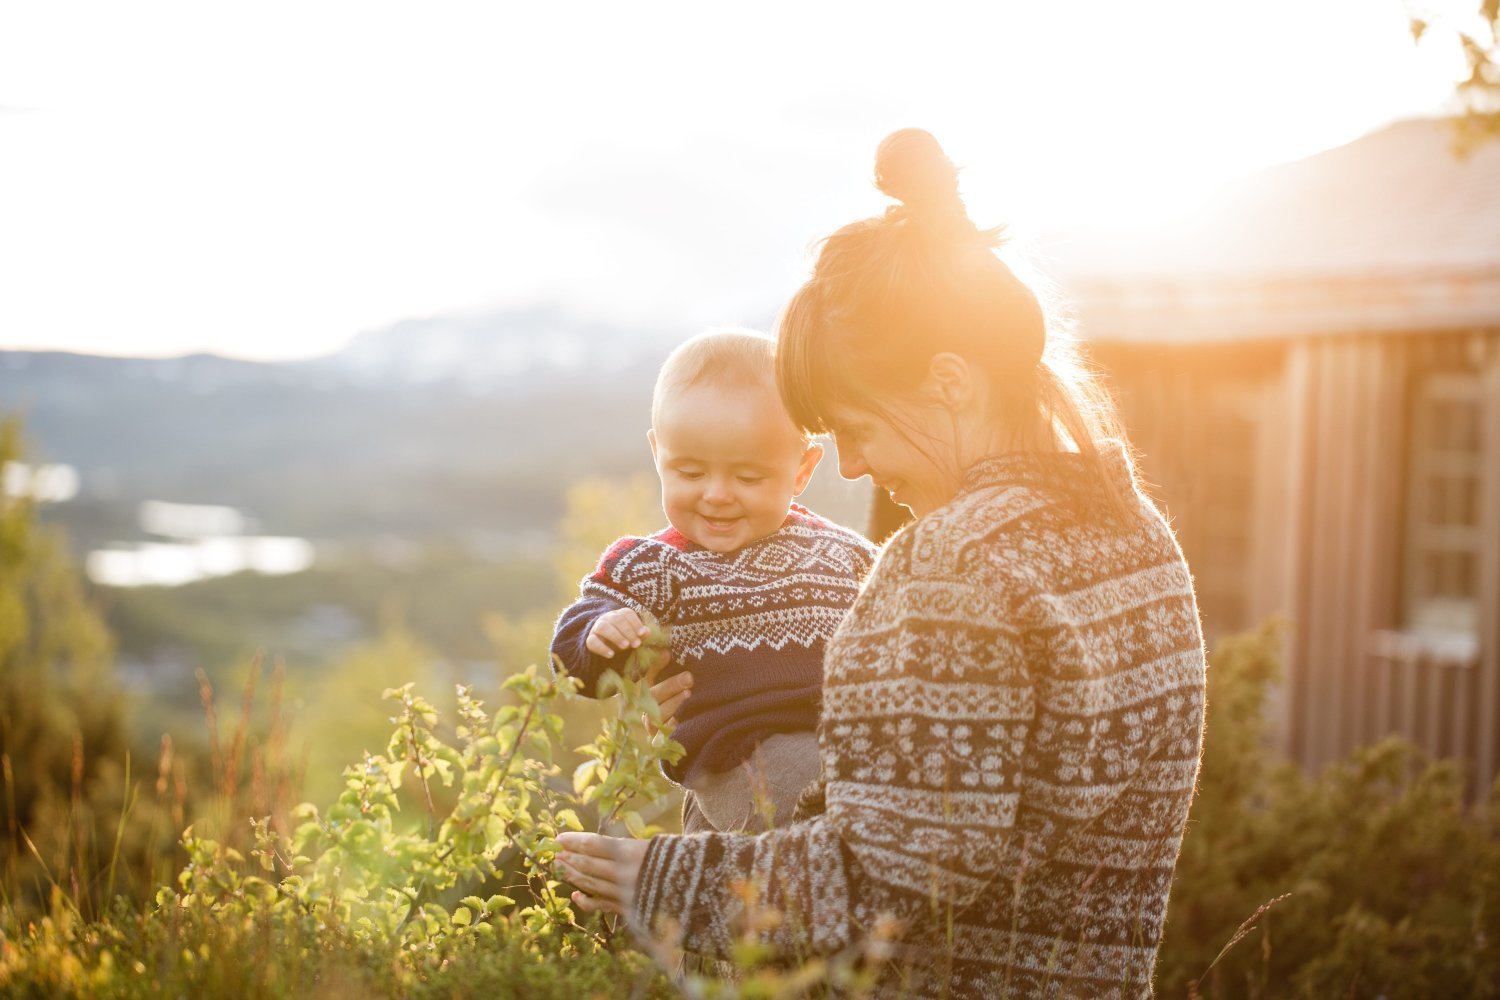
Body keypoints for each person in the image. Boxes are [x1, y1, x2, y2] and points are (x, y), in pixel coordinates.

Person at [556, 129, 1208, 998]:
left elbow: (893, 871)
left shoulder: (952, 565)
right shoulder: (1141, 543)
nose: (854, 467)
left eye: (855, 429)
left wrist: (657, 880)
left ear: (950, 382)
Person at [550, 328, 878, 835]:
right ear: (659, 454)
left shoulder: (844, 553)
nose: (718, 495)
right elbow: (575, 655)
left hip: (844, 742)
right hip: (740, 757)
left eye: (749, 478)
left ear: (802, 468)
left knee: (738, 898)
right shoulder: (653, 565)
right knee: (828, 826)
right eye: (691, 472)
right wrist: (602, 630)